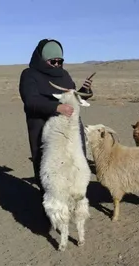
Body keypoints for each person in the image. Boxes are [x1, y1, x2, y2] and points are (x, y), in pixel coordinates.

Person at [19, 38, 93, 190]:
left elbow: (72, 96)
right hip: (43, 130)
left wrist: (84, 91)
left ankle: (75, 207)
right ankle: (50, 211)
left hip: (70, 131)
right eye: (53, 62)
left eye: (60, 61)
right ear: (42, 59)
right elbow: (30, 101)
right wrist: (56, 107)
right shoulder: (29, 75)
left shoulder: (64, 75)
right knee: (49, 176)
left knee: (75, 169)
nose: (57, 65)